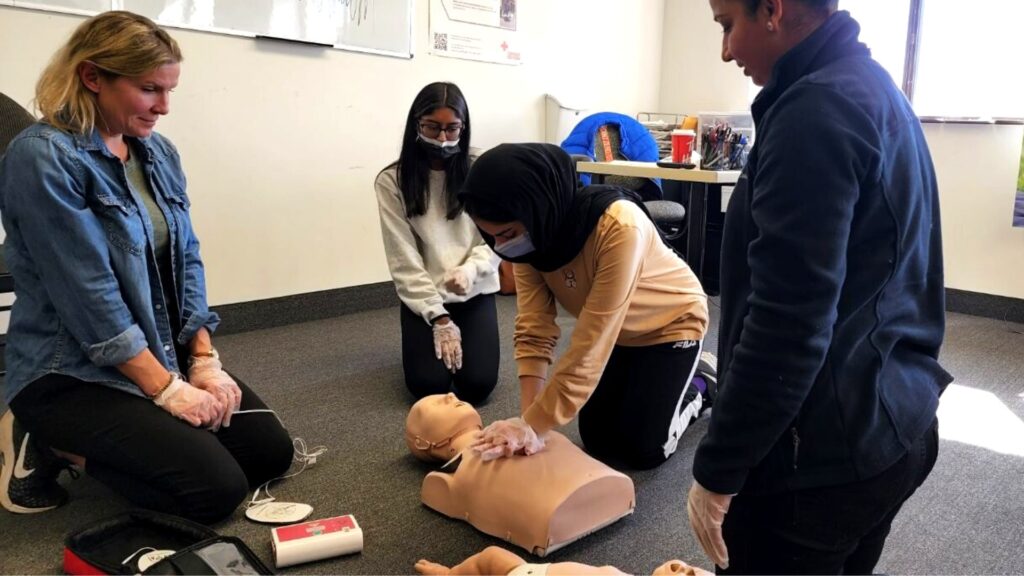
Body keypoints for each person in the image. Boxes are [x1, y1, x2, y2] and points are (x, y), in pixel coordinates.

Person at [687, 1, 951, 573]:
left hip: (822, 459)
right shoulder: (871, 86)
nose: (726, 50)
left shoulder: (814, 111)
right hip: (895, 418)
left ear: (775, 10)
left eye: (728, 24)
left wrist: (718, 468)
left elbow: (787, 323)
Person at [0, 11, 293, 523]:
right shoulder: (42, 157)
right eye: (149, 89)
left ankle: (142, 434)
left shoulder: (157, 152)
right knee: (212, 493)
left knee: (268, 454)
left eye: (169, 90)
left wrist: (203, 359)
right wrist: (165, 389)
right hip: (70, 371)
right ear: (93, 77)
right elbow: (91, 297)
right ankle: (49, 441)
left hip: (155, 346)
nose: (164, 107)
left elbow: (188, 256)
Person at [461, 143, 711, 470]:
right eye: (491, 237)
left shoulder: (619, 227)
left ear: (536, 208)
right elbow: (534, 327)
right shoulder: (529, 236)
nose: (502, 247)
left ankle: (703, 385)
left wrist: (533, 425)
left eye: (506, 234)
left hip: (671, 325)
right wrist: (528, 422)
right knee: (597, 439)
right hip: (620, 334)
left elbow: (592, 341)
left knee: (644, 450)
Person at [375, 82, 500, 404]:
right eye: (432, 127)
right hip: (426, 296)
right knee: (428, 386)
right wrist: (438, 317)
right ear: (416, 124)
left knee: (478, 385)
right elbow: (402, 257)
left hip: (474, 288)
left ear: (464, 126)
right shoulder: (393, 180)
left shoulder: (482, 168)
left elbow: (499, 235)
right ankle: (430, 331)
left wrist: (472, 271)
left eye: (452, 129)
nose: (442, 139)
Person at [406, 393, 635, 557]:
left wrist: (532, 427)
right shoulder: (444, 480)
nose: (450, 394)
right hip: (555, 512)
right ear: (422, 443)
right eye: (436, 403)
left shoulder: (519, 429)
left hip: (594, 485)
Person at [415, 545, 713, 576]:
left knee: (490, 559)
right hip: (530, 570)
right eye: (691, 567)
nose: (681, 567)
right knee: (492, 557)